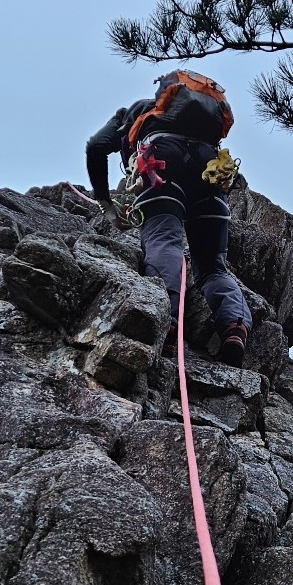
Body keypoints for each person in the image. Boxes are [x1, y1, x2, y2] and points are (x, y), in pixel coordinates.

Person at [85, 72, 252, 367]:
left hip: (161, 162)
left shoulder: (140, 110)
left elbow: (97, 146)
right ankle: (234, 326)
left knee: (164, 238)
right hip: (210, 170)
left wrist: (104, 201)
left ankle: (166, 315)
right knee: (213, 265)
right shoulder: (203, 122)